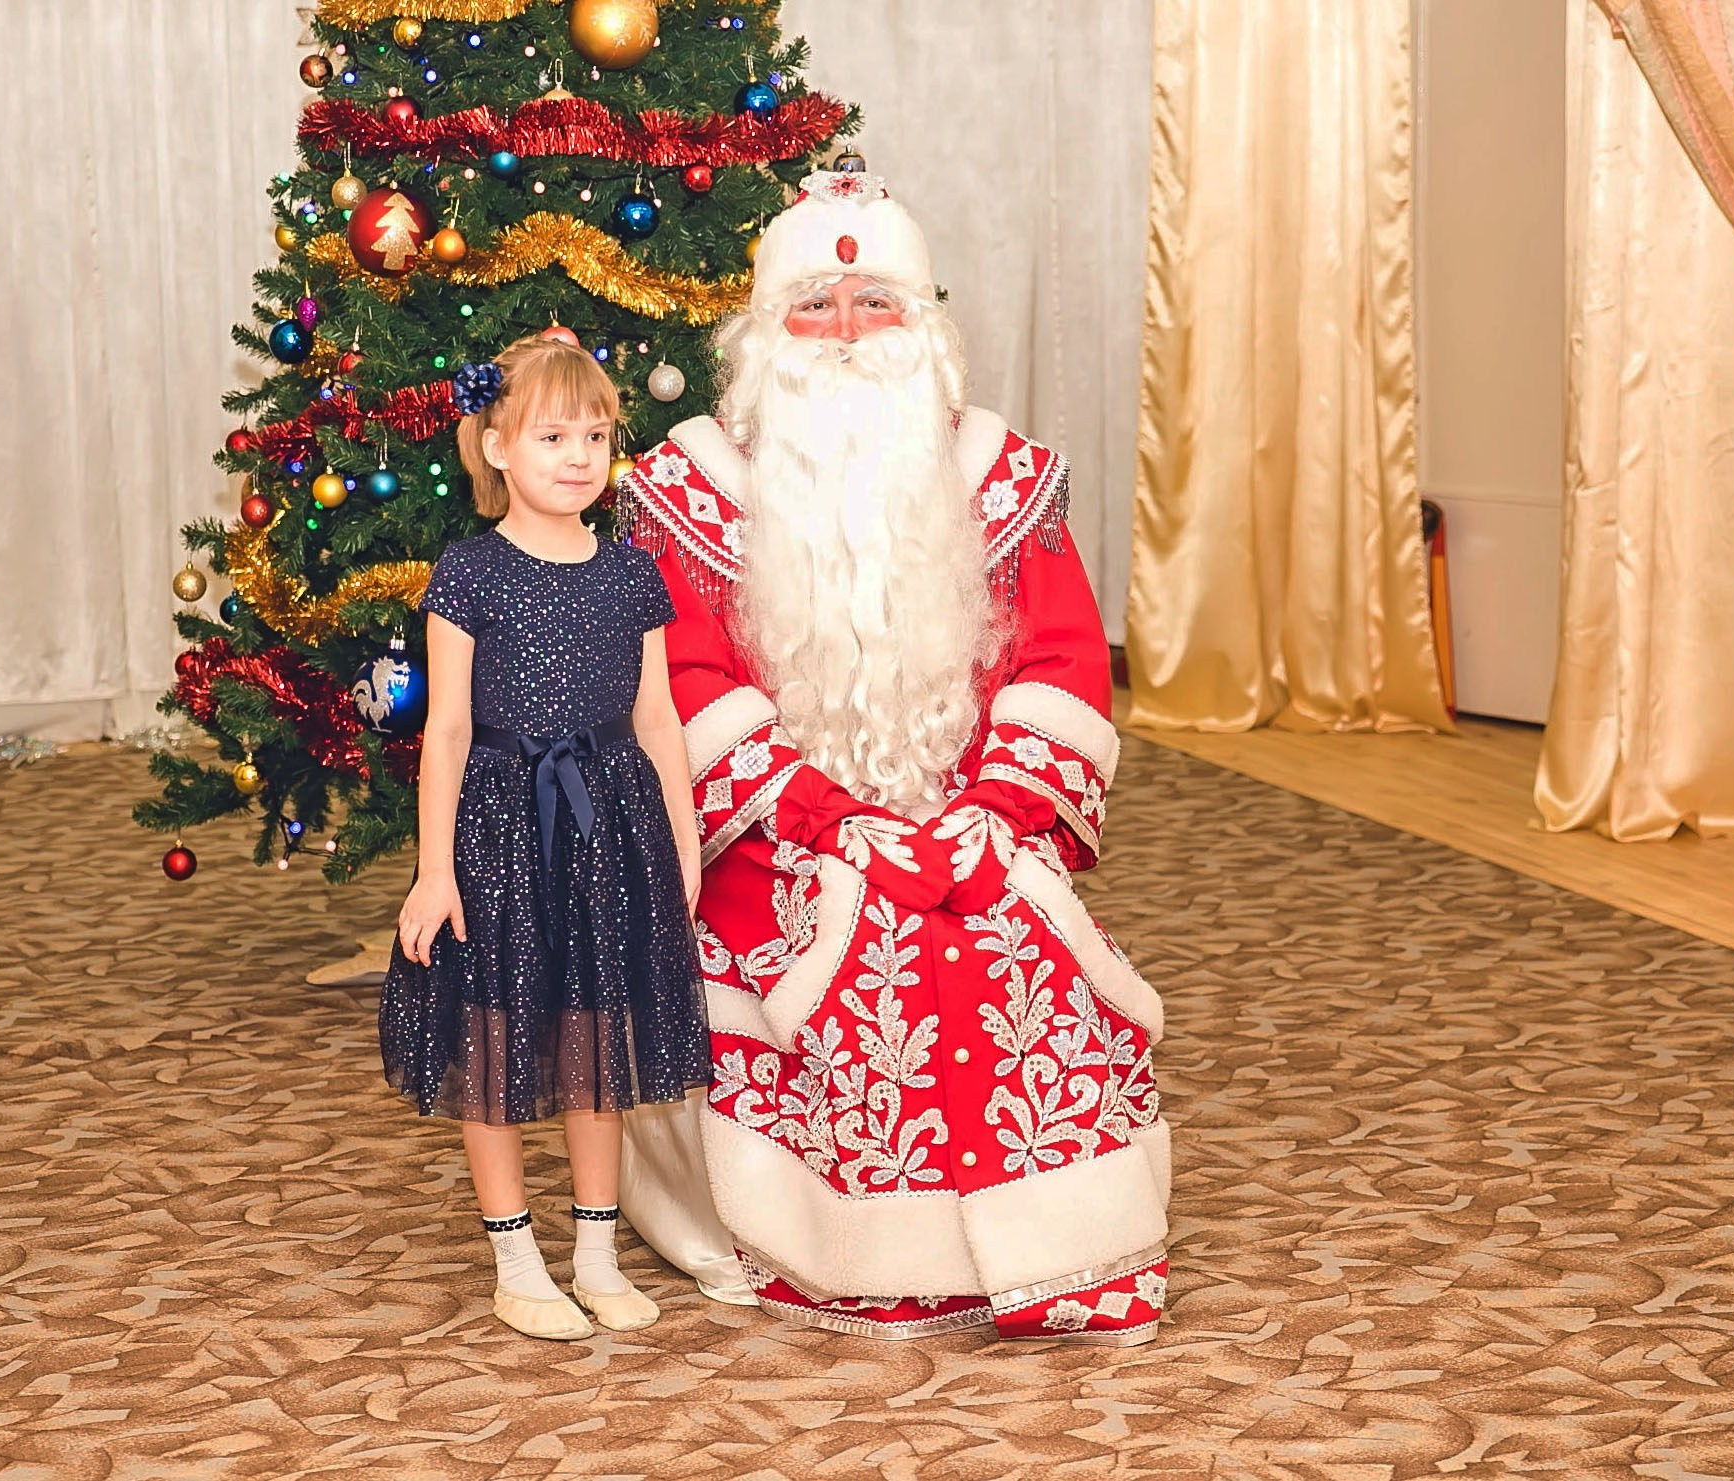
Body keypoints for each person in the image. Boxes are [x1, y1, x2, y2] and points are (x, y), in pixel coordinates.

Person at [616, 171, 1172, 1343]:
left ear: (924, 325)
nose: (848, 335)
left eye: (876, 304)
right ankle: (852, 1248)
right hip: (771, 841)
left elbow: (1061, 666)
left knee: (1015, 944)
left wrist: (996, 813)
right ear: (765, 332)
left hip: (972, 822)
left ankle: (1048, 1250)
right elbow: (690, 684)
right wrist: (826, 819)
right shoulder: (692, 490)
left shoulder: (1001, 480)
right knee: (854, 969)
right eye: (815, 306)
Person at [380, 334, 708, 1341]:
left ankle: (597, 1251)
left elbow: (656, 722)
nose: (578, 454)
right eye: (553, 433)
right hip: (498, 828)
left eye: (596, 434)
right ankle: (516, 1258)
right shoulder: (470, 572)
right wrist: (435, 871)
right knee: (495, 1037)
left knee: (596, 1040)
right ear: (496, 444)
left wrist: (682, 855)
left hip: (611, 826)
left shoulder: (631, 573)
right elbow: (445, 727)